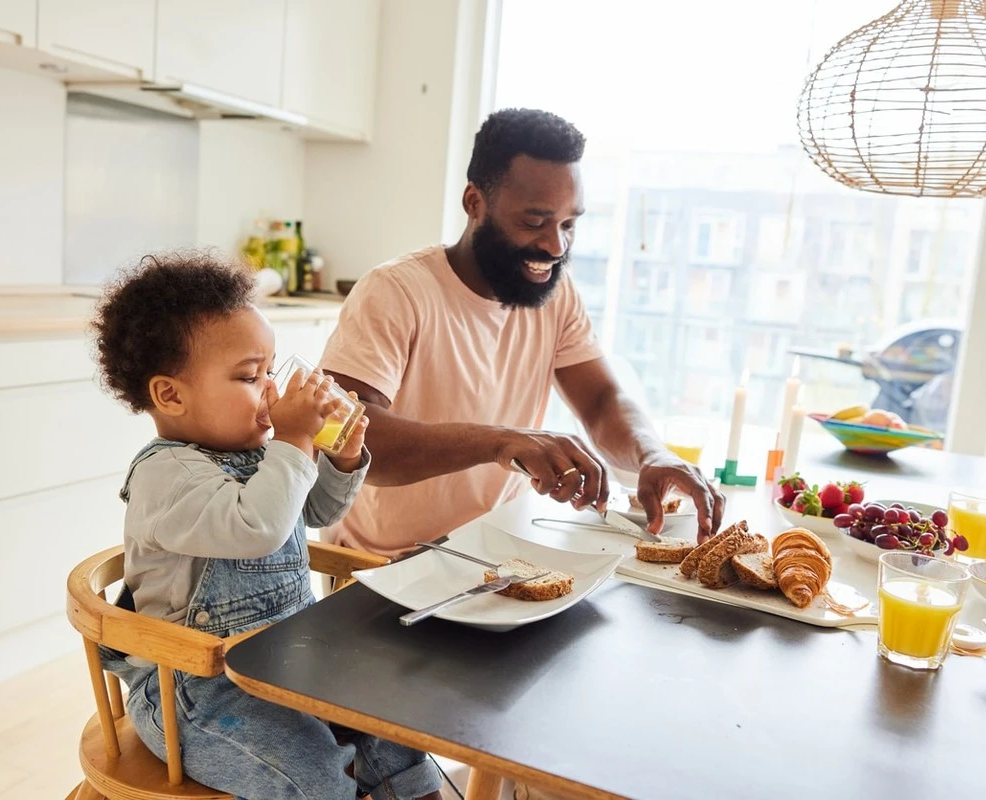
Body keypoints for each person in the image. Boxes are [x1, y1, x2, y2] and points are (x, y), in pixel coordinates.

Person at [91, 253, 442, 800]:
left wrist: (344, 458)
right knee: (310, 771)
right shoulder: (166, 476)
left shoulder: (259, 454)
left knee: (393, 728)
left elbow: (315, 512)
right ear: (170, 395)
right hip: (197, 693)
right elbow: (258, 527)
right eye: (250, 377)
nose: (273, 392)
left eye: (270, 371)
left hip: (285, 660)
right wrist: (295, 441)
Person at [321, 108, 725, 557]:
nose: (556, 246)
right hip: (381, 564)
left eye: (569, 224)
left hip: (496, 552)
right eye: (535, 222)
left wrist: (654, 455)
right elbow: (348, 434)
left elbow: (601, 401)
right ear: (475, 203)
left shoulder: (556, 295)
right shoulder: (395, 291)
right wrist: (501, 441)